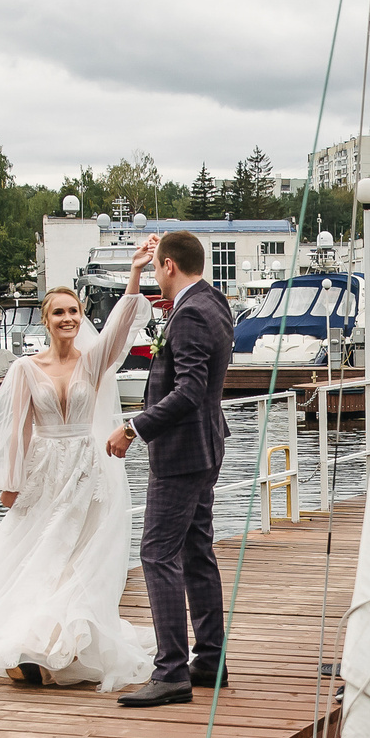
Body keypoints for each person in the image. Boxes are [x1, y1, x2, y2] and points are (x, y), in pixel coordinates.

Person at [0, 241, 158, 691]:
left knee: (75, 557)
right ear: (46, 321)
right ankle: (28, 641)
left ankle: (59, 644)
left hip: (85, 470)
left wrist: (136, 273)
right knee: (34, 553)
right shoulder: (26, 368)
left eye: (74, 312)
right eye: (59, 312)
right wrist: (10, 480)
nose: (68, 319)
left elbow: (121, 327)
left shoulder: (93, 362)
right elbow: (14, 428)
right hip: (45, 470)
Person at [108, 229, 232, 709]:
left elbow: (189, 391)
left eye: (157, 266)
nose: (158, 275)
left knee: (158, 553)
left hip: (182, 453)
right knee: (197, 549)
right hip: (204, 447)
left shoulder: (191, 313)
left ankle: (171, 671)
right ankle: (211, 658)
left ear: (169, 267)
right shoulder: (212, 301)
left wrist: (133, 428)